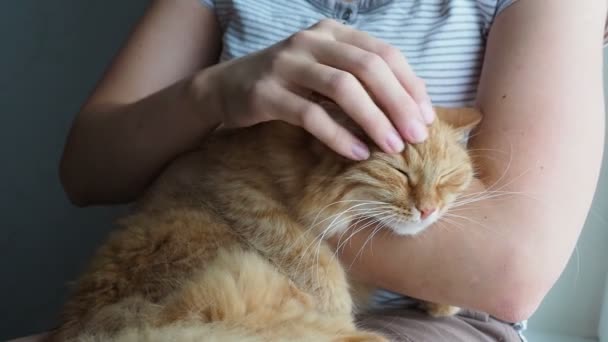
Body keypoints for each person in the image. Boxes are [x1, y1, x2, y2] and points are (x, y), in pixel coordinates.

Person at [59, 0, 607, 341]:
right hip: (188, 280)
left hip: (429, 320)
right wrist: (210, 95)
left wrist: (223, 176)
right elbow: (86, 174)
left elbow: (511, 275)